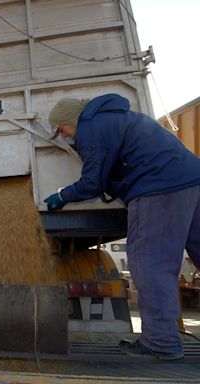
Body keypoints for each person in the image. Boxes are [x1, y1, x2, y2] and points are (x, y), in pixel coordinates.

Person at [43, 93, 200, 361]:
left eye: (62, 129)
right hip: (191, 179)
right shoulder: (116, 118)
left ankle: (161, 343)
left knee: (149, 262)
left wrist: (62, 195)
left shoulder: (91, 129)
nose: (64, 135)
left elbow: (92, 182)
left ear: (70, 121)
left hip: (158, 188)